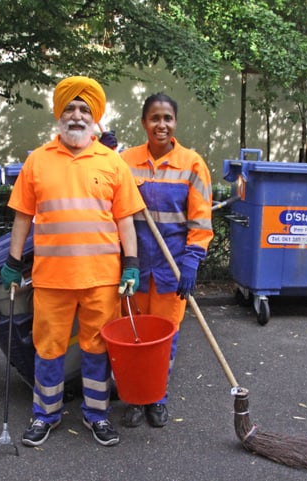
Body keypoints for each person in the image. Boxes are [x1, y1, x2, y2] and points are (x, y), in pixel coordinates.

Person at [0, 76, 146, 447]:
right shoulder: (37, 162)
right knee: (48, 349)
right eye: (70, 109)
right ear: (59, 115)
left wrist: (131, 264)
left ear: (95, 118)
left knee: (98, 349)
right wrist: (13, 262)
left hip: (101, 279)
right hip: (51, 279)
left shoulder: (112, 162)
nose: (77, 116)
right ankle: (45, 415)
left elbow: (125, 219)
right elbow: (21, 217)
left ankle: (96, 415)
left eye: (84, 109)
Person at [119, 92, 213, 428]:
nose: (161, 124)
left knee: (164, 341)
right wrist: (103, 150)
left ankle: (156, 398)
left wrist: (192, 261)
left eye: (167, 118)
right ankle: (133, 397)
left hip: (172, 270)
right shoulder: (125, 161)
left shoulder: (192, 164)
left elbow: (201, 223)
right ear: (144, 122)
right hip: (134, 268)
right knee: (133, 337)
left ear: (175, 123)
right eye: (155, 118)